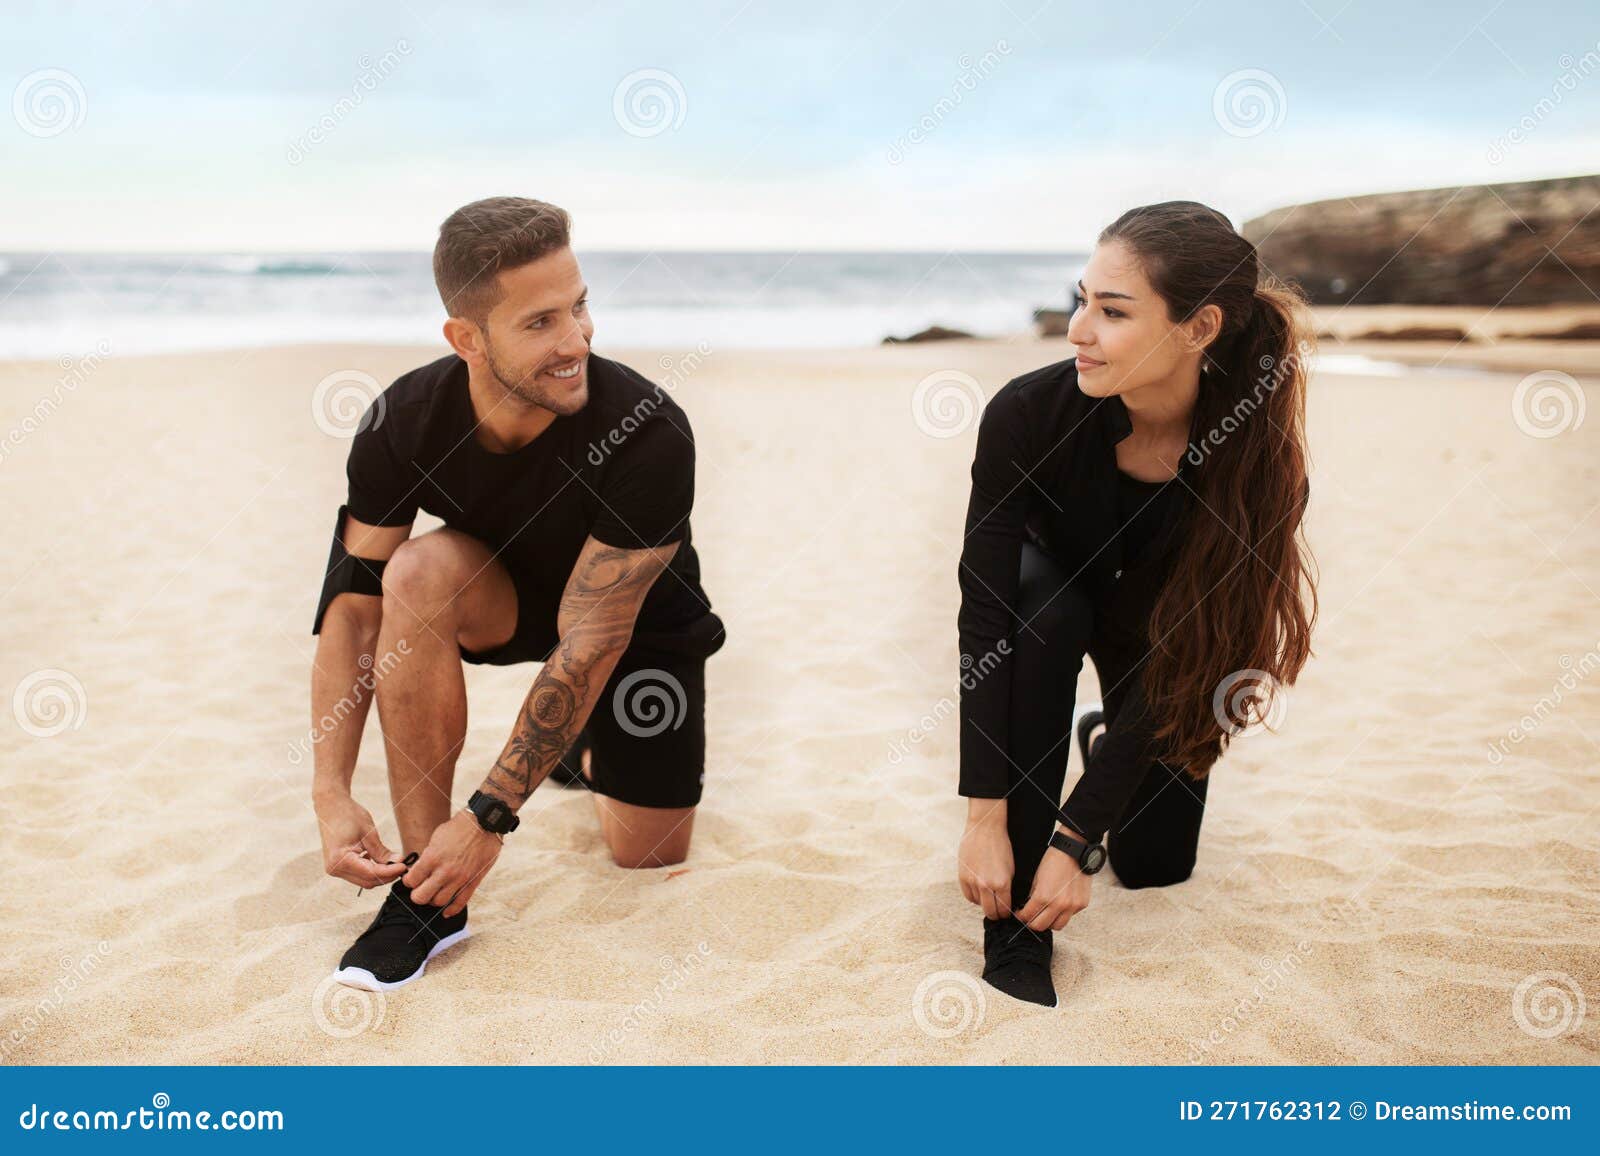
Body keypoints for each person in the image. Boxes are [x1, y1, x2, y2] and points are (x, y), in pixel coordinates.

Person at [308, 196, 725, 991]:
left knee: (649, 852)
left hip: (636, 627)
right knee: (414, 572)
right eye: (540, 324)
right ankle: (428, 895)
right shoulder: (403, 421)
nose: (577, 341)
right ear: (467, 338)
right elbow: (354, 611)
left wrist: (491, 818)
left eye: (580, 307)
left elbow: (593, 640)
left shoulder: (648, 430)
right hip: (500, 601)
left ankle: (584, 750)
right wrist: (330, 792)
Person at [954, 201, 1318, 1007]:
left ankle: (1101, 741)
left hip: (1162, 640)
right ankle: (1015, 933)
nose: (1079, 329)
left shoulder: (1254, 459)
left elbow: (1196, 653)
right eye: (1081, 298)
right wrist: (985, 819)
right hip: (1043, 605)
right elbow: (983, 617)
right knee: (1040, 614)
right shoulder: (1026, 413)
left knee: (1155, 864)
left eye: (1112, 312)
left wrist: (1078, 840)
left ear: (1199, 328)